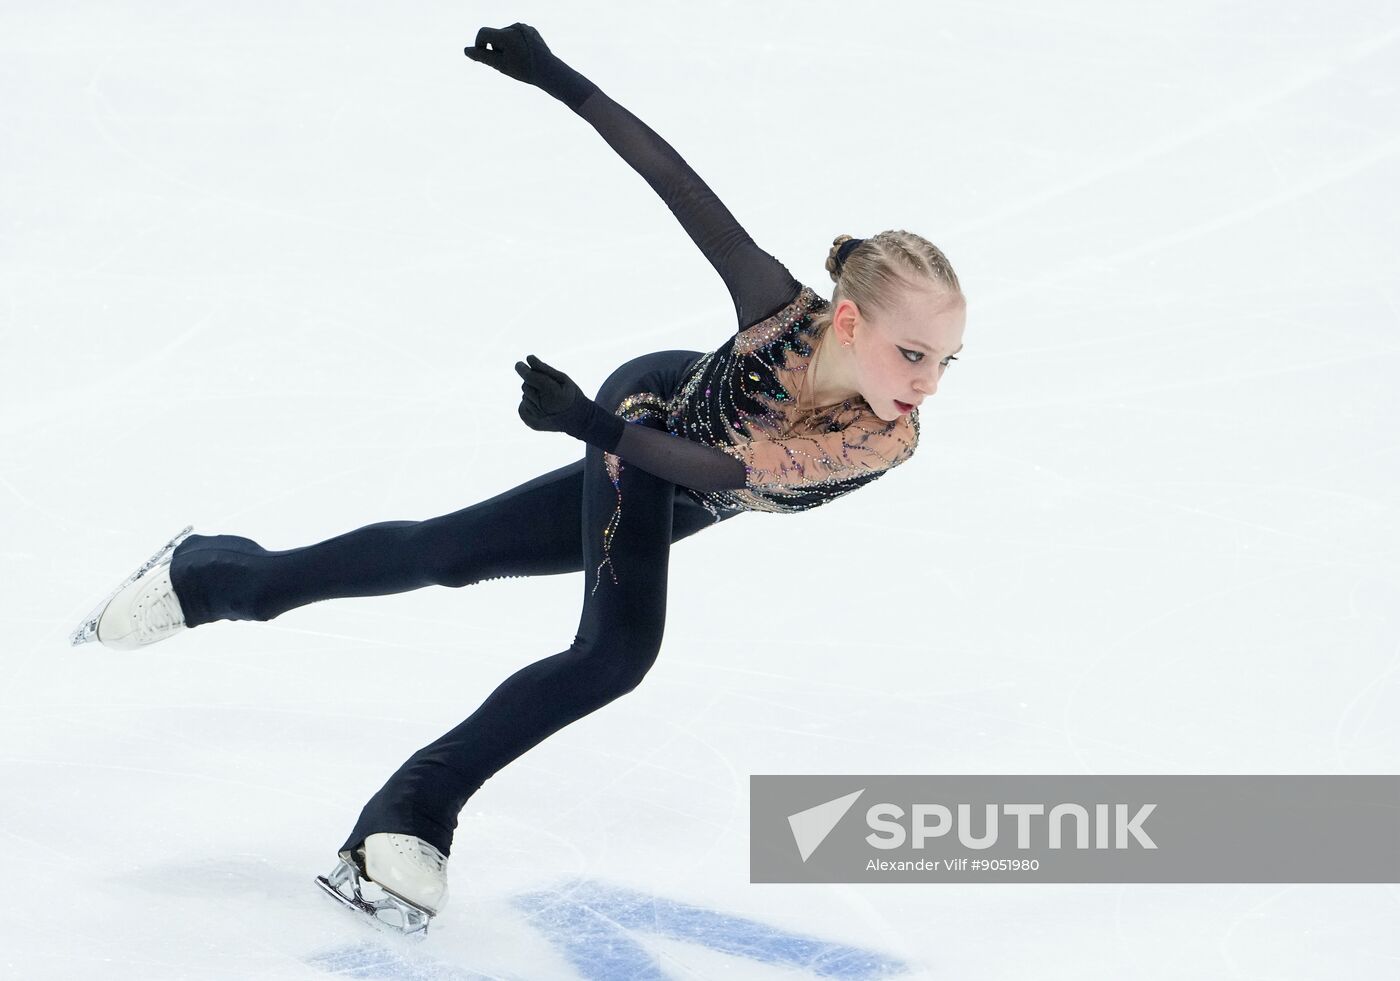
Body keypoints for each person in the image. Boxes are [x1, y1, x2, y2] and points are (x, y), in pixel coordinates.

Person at [69, 22, 967, 933]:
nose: (929, 383)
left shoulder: (884, 439)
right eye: (914, 353)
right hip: (645, 417)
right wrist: (556, 77)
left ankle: (222, 576)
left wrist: (584, 424)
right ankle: (413, 809)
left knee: (449, 552)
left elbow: (733, 468)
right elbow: (680, 186)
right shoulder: (779, 313)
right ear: (848, 324)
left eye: (947, 362)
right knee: (615, 653)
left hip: (677, 468)